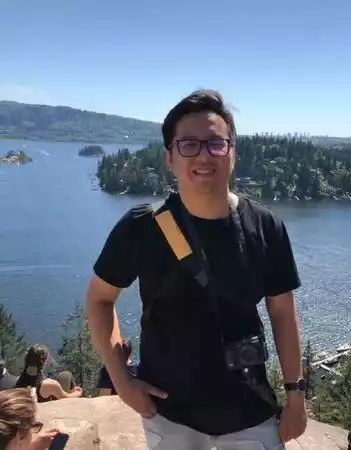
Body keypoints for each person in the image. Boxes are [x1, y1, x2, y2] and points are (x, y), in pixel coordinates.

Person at [86, 89, 306, 449]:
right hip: (170, 413)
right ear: (169, 158)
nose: (204, 155)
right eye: (188, 144)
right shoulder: (143, 227)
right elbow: (99, 299)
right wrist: (122, 381)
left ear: (232, 152)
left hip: (250, 409)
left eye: (216, 143)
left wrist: (296, 394)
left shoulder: (266, 226)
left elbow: (282, 313)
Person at [15, 345, 83, 402]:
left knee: (65, 375)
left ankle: (72, 389)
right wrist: (77, 393)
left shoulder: (19, 379)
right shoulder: (49, 384)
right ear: (45, 361)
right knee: (66, 375)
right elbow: (66, 397)